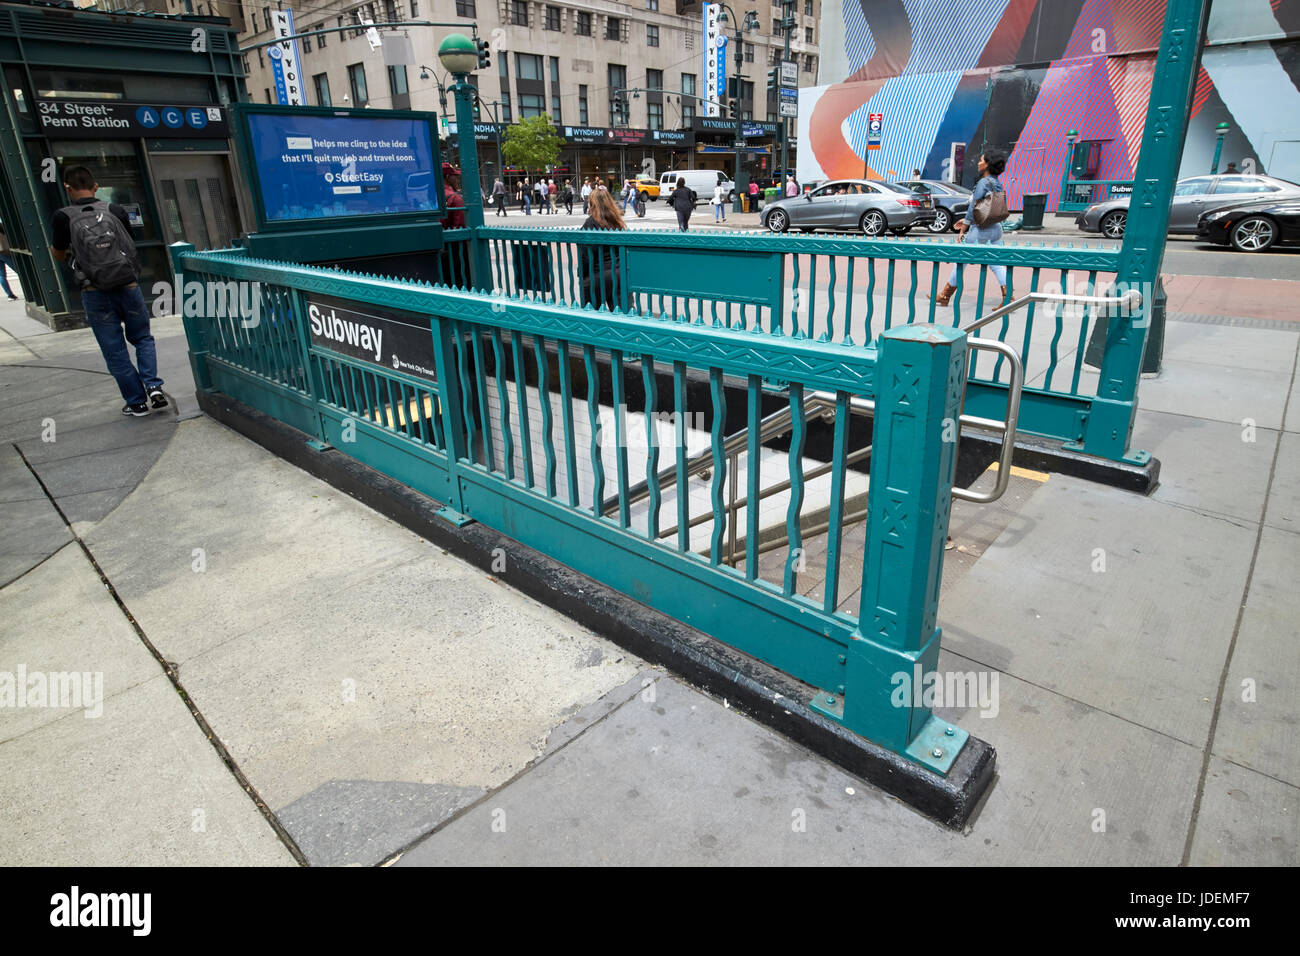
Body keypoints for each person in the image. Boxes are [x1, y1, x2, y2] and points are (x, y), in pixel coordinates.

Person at [51, 166, 164, 417]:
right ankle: (154, 386)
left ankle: (136, 402)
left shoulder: (62, 216)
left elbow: (58, 254)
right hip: (128, 286)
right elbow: (128, 243)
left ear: (68, 188)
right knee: (143, 338)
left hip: (94, 291)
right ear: (96, 186)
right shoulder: (115, 210)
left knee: (114, 350)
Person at [936, 150, 1008, 306]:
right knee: (995, 262)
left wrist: (963, 228)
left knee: (961, 261)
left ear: (988, 164)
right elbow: (987, 208)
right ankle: (1007, 295)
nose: (978, 162)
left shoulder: (983, 182)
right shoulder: (997, 183)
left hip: (981, 230)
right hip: (996, 228)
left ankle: (945, 295)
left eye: (981, 160)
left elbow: (973, 207)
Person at [579, 186, 626, 310]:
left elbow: (586, 256)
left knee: (592, 314)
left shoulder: (591, 223)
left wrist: (582, 274)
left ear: (592, 204)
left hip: (598, 275)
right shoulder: (617, 222)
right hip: (619, 273)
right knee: (621, 315)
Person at [442, 163, 466, 229]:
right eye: (455, 177)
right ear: (448, 177)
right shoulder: (455, 198)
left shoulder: (429, 195)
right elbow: (460, 228)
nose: (457, 180)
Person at [0, 222, 19, 301]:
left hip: (2, 252)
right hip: (4, 252)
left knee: (2, 275)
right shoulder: (1, 225)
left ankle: (10, 295)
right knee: (19, 270)